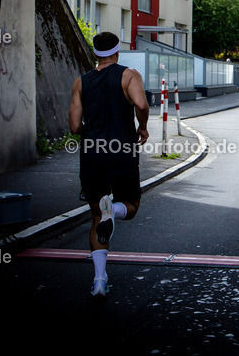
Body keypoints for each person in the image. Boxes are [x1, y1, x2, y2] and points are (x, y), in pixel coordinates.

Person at [69, 32, 150, 297]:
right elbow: (141, 104)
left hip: (92, 153)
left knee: (96, 216)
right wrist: (143, 127)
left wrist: (91, 132)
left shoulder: (81, 82)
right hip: (121, 150)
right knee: (132, 205)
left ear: (95, 53)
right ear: (117, 51)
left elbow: (74, 126)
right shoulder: (129, 75)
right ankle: (114, 210)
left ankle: (99, 281)